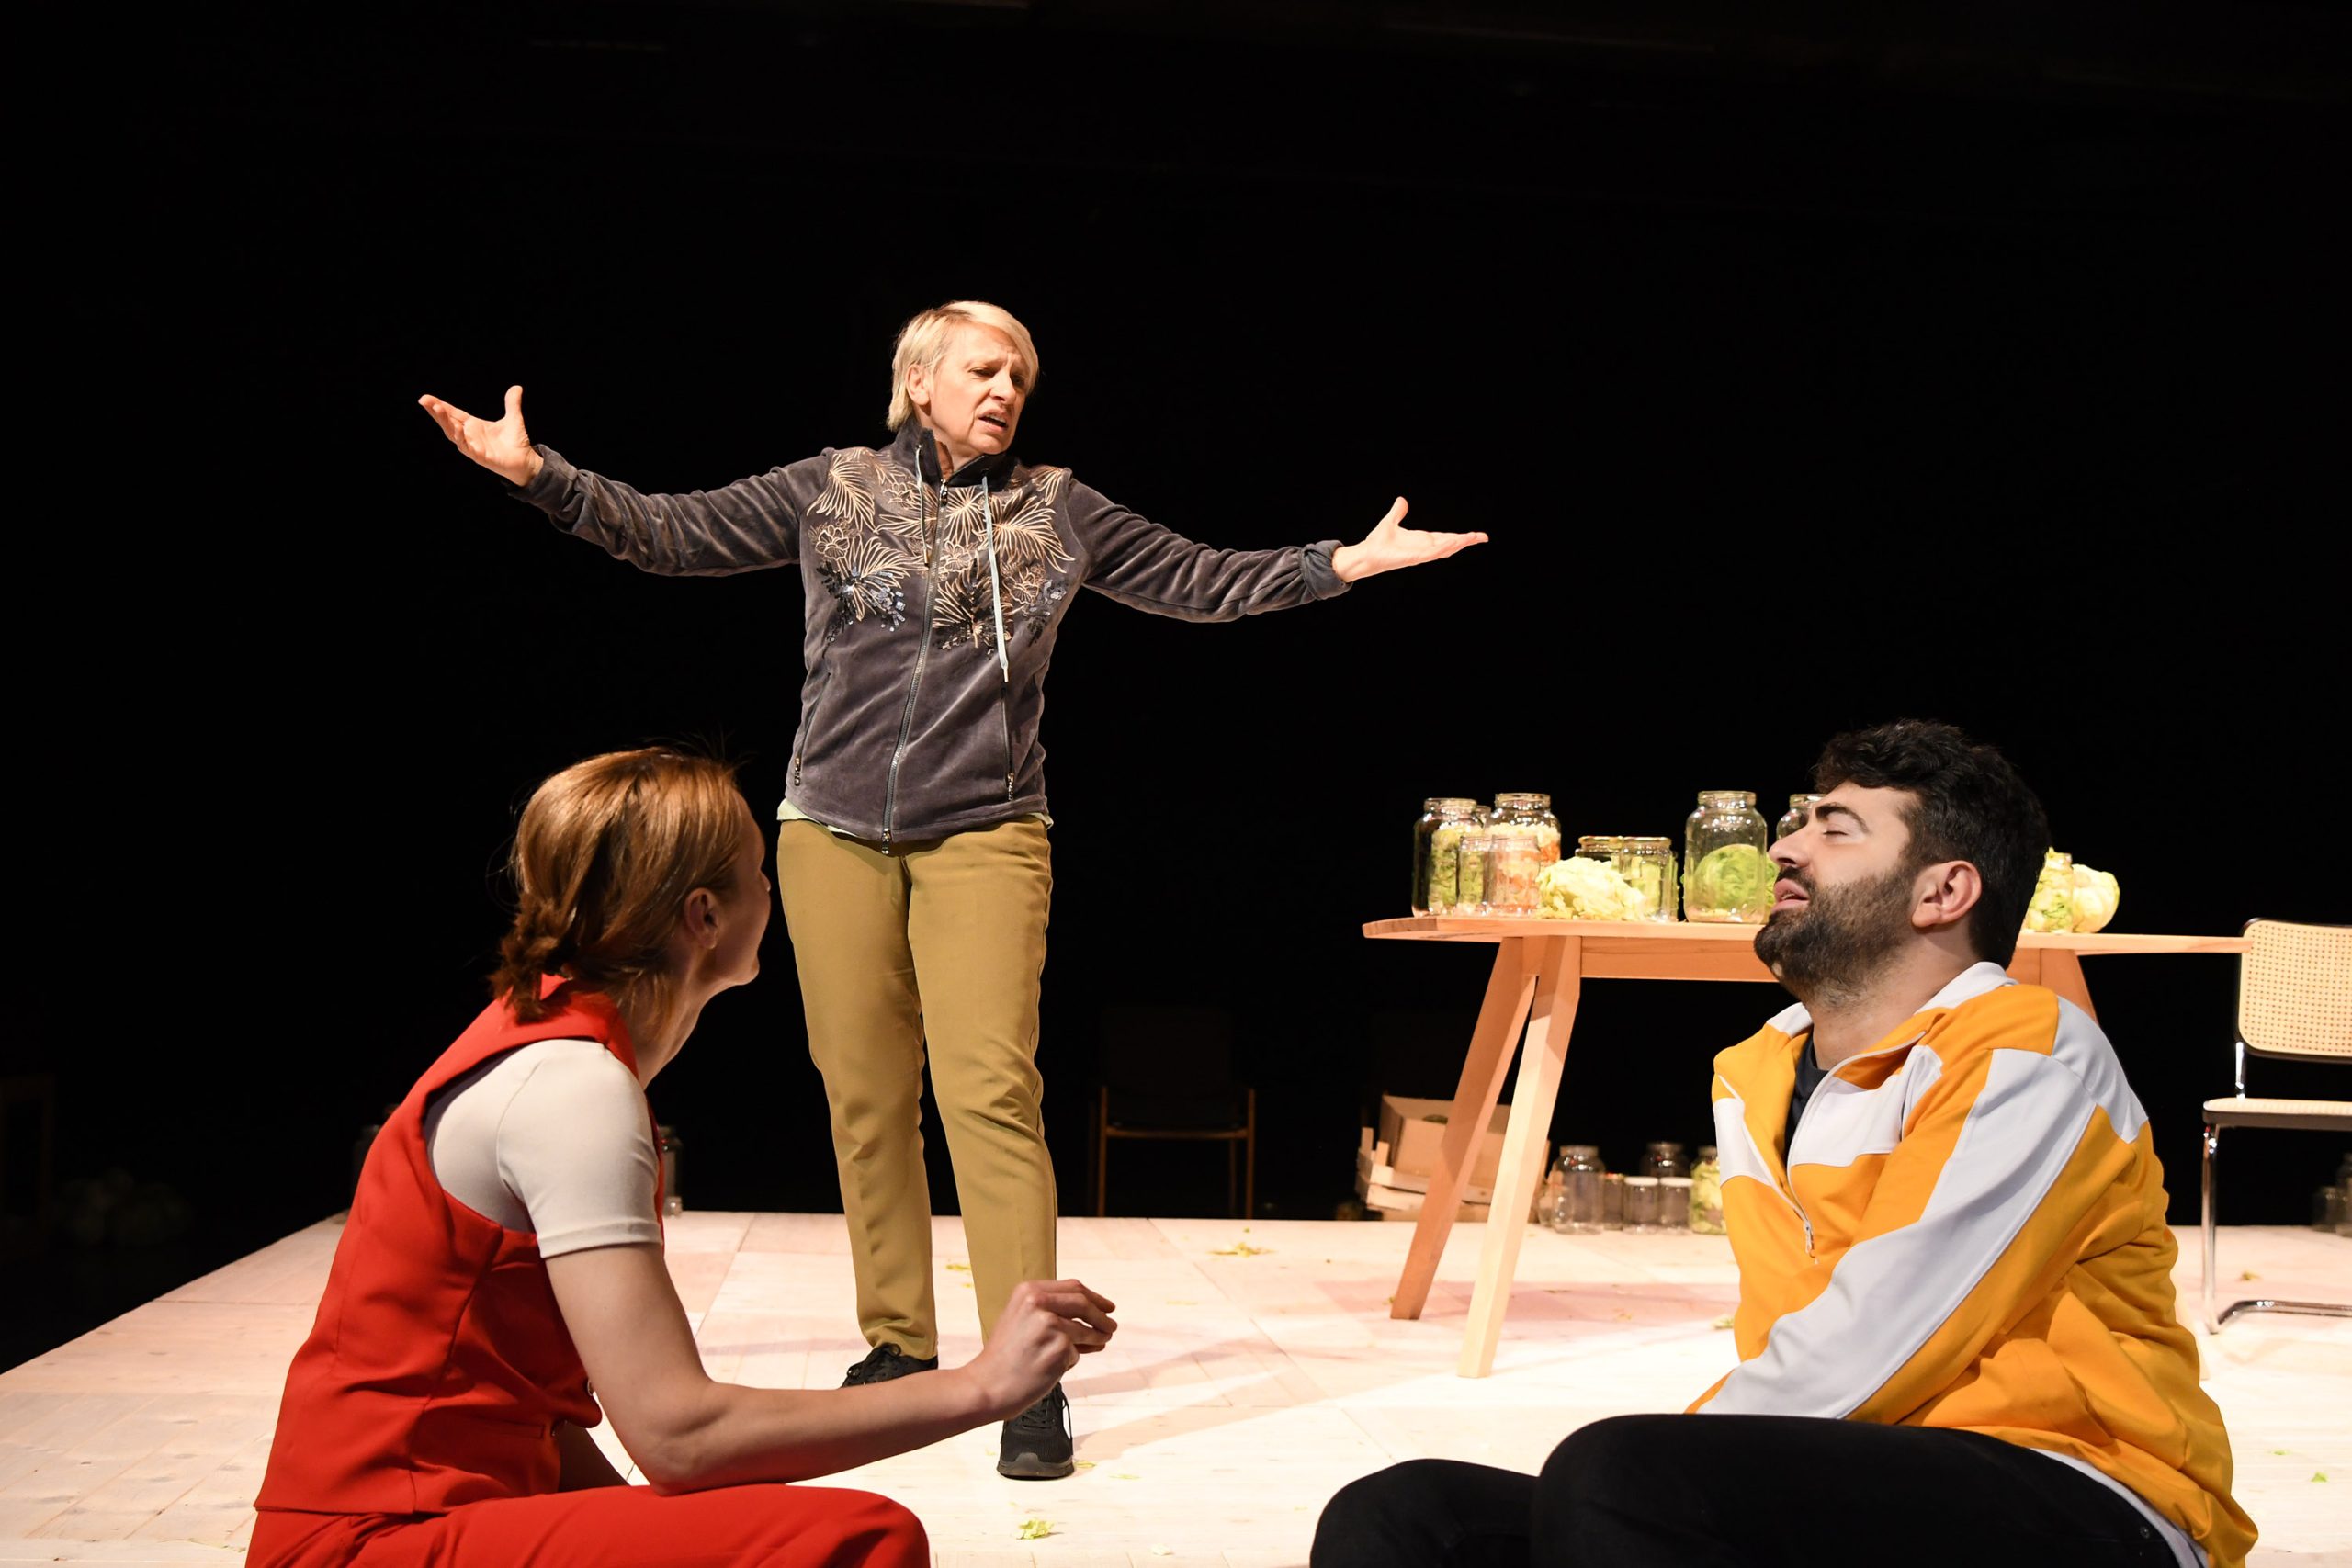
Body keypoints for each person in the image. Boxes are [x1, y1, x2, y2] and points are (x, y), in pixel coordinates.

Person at [418, 300, 1485, 1477]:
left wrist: (1336, 564)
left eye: (1018, 374)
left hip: (987, 829)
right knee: (864, 1094)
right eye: (983, 368)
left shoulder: (1058, 507)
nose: (1005, 389)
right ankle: (896, 1344)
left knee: (990, 1093)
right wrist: (543, 478)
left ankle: (1030, 1369)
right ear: (918, 380)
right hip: (831, 829)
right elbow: (672, 534)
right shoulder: (832, 488)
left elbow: (1196, 578)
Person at [1312, 720, 2257, 1568]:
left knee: (1621, 1476)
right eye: (1798, 822)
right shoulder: (1754, 1072)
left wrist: (1651, 1473)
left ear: (1943, 890)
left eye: (1834, 828)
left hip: (2085, 1492)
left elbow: (1880, 1335)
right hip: (1855, 1473)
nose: (1784, 846)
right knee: (1407, 1514)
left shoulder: (2025, 1051)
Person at [251, 748, 1119, 1567]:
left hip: (440, 1513)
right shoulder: (572, 1089)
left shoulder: (555, 1050)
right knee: (862, 1538)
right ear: (705, 915)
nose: (772, 891)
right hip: (372, 1540)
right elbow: (676, 1435)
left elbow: (541, 1416)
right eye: (758, 873)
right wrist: (981, 1385)